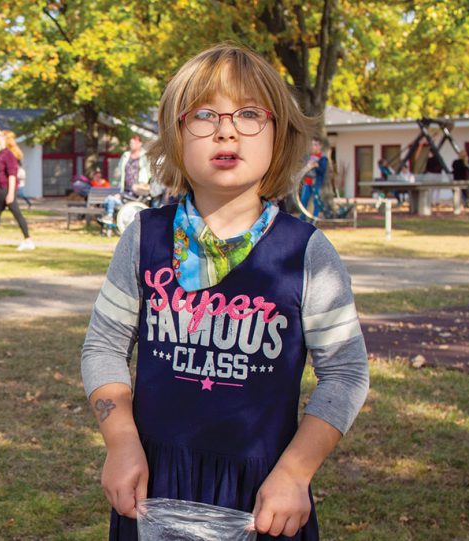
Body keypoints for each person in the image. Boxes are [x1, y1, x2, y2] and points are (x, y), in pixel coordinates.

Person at [81, 44, 370, 541]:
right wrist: (121, 443)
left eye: (251, 114)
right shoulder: (144, 238)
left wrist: (296, 473)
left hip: (265, 494)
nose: (227, 129)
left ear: (280, 134)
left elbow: (345, 372)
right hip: (153, 484)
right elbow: (104, 346)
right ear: (175, 134)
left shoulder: (306, 253)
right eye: (205, 114)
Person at [299, 138, 328, 221]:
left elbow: (322, 171)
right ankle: (302, 219)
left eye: (315, 145)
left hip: (316, 183)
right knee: (303, 201)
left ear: (320, 146)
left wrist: (316, 166)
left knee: (316, 203)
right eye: (312, 144)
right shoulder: (309, 157)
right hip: (307, 183)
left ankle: (314, 220)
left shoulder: (323, 158)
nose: (313, 147)